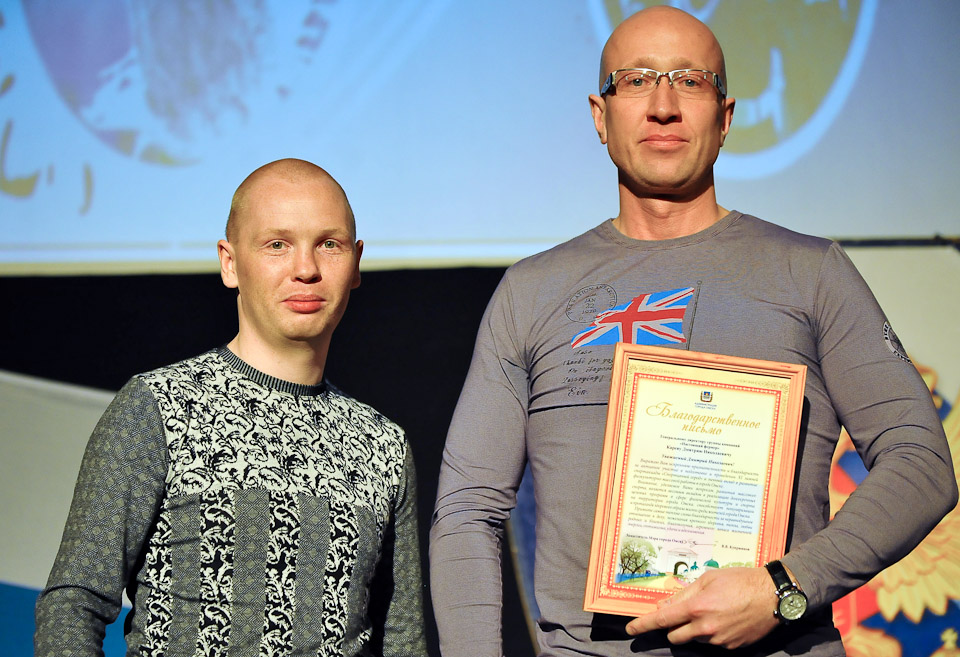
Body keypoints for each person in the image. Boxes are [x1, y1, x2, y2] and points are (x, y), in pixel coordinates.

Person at [429, 6, 956, 657]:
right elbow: (467, 510)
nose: (663, 106)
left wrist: (783, 587)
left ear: (725, 117)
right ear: (600, 115)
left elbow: (921, 462)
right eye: (636, 80)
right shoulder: (532, 291)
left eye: (690, 81)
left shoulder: (811, 272)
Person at [35, 158, 427, 657]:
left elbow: (403, 641)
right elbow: (73, 604)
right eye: (277, 244)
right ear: (230, 263)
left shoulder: (383, 445)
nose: (306, 269)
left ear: (356, 264)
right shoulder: (158, 406)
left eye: (329, 244)